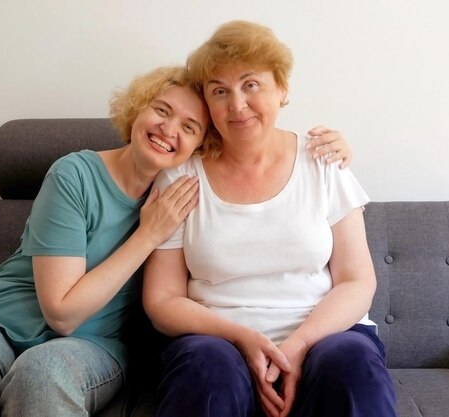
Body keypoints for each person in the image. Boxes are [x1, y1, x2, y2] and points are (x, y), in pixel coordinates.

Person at [0, 65, 351, 416]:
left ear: (201, 146)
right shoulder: (74, 175)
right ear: (137, 110)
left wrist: (331, 147)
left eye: (190, 127)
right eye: (161, 111)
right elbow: (60, 312)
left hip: (92, 345)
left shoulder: (189, 192)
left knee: (43, 376)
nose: (169, 130)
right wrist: (148, 233)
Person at [143, 20, 396, 417]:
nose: (237, 105)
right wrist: (242, 338)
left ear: (282, 88)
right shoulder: (181, 174)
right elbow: (161, 298)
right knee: (206, 371)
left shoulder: (323, 162)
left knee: (352, 368)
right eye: (220, 91)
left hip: (326, 335)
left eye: (251, 84)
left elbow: (357, 279)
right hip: (217, 340)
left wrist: (298, 345)